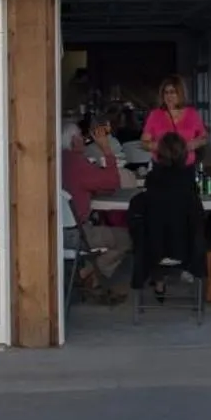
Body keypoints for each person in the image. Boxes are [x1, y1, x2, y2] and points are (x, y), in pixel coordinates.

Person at [129, 130, 206, 300]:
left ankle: (158, 281)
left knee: (154, 229)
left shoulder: (152, 178)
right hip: (185, 248)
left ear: (160, 153)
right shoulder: (188, 180)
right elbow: (197, 216)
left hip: (154, 249)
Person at [61, 113, 128, 289]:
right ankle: (92, 270)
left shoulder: (54, 161)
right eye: (81, 137)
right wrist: (106, 149)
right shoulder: (78, 164)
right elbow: (112, 183)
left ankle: (88, 274)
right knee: (128, 237)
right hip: (77, 235)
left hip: (50, 233)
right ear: (74, 140)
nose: (84, 140)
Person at [140, 76, 209, 166]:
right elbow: (144, 143)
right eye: (166, 93)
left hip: (187, 166)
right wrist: (161, 147)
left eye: (173, 92)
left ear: (180, 94)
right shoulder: (155, 115)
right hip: (162, 165)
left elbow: (204, 137)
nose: (169, 96)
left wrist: (193, 144)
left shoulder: (192, 114)